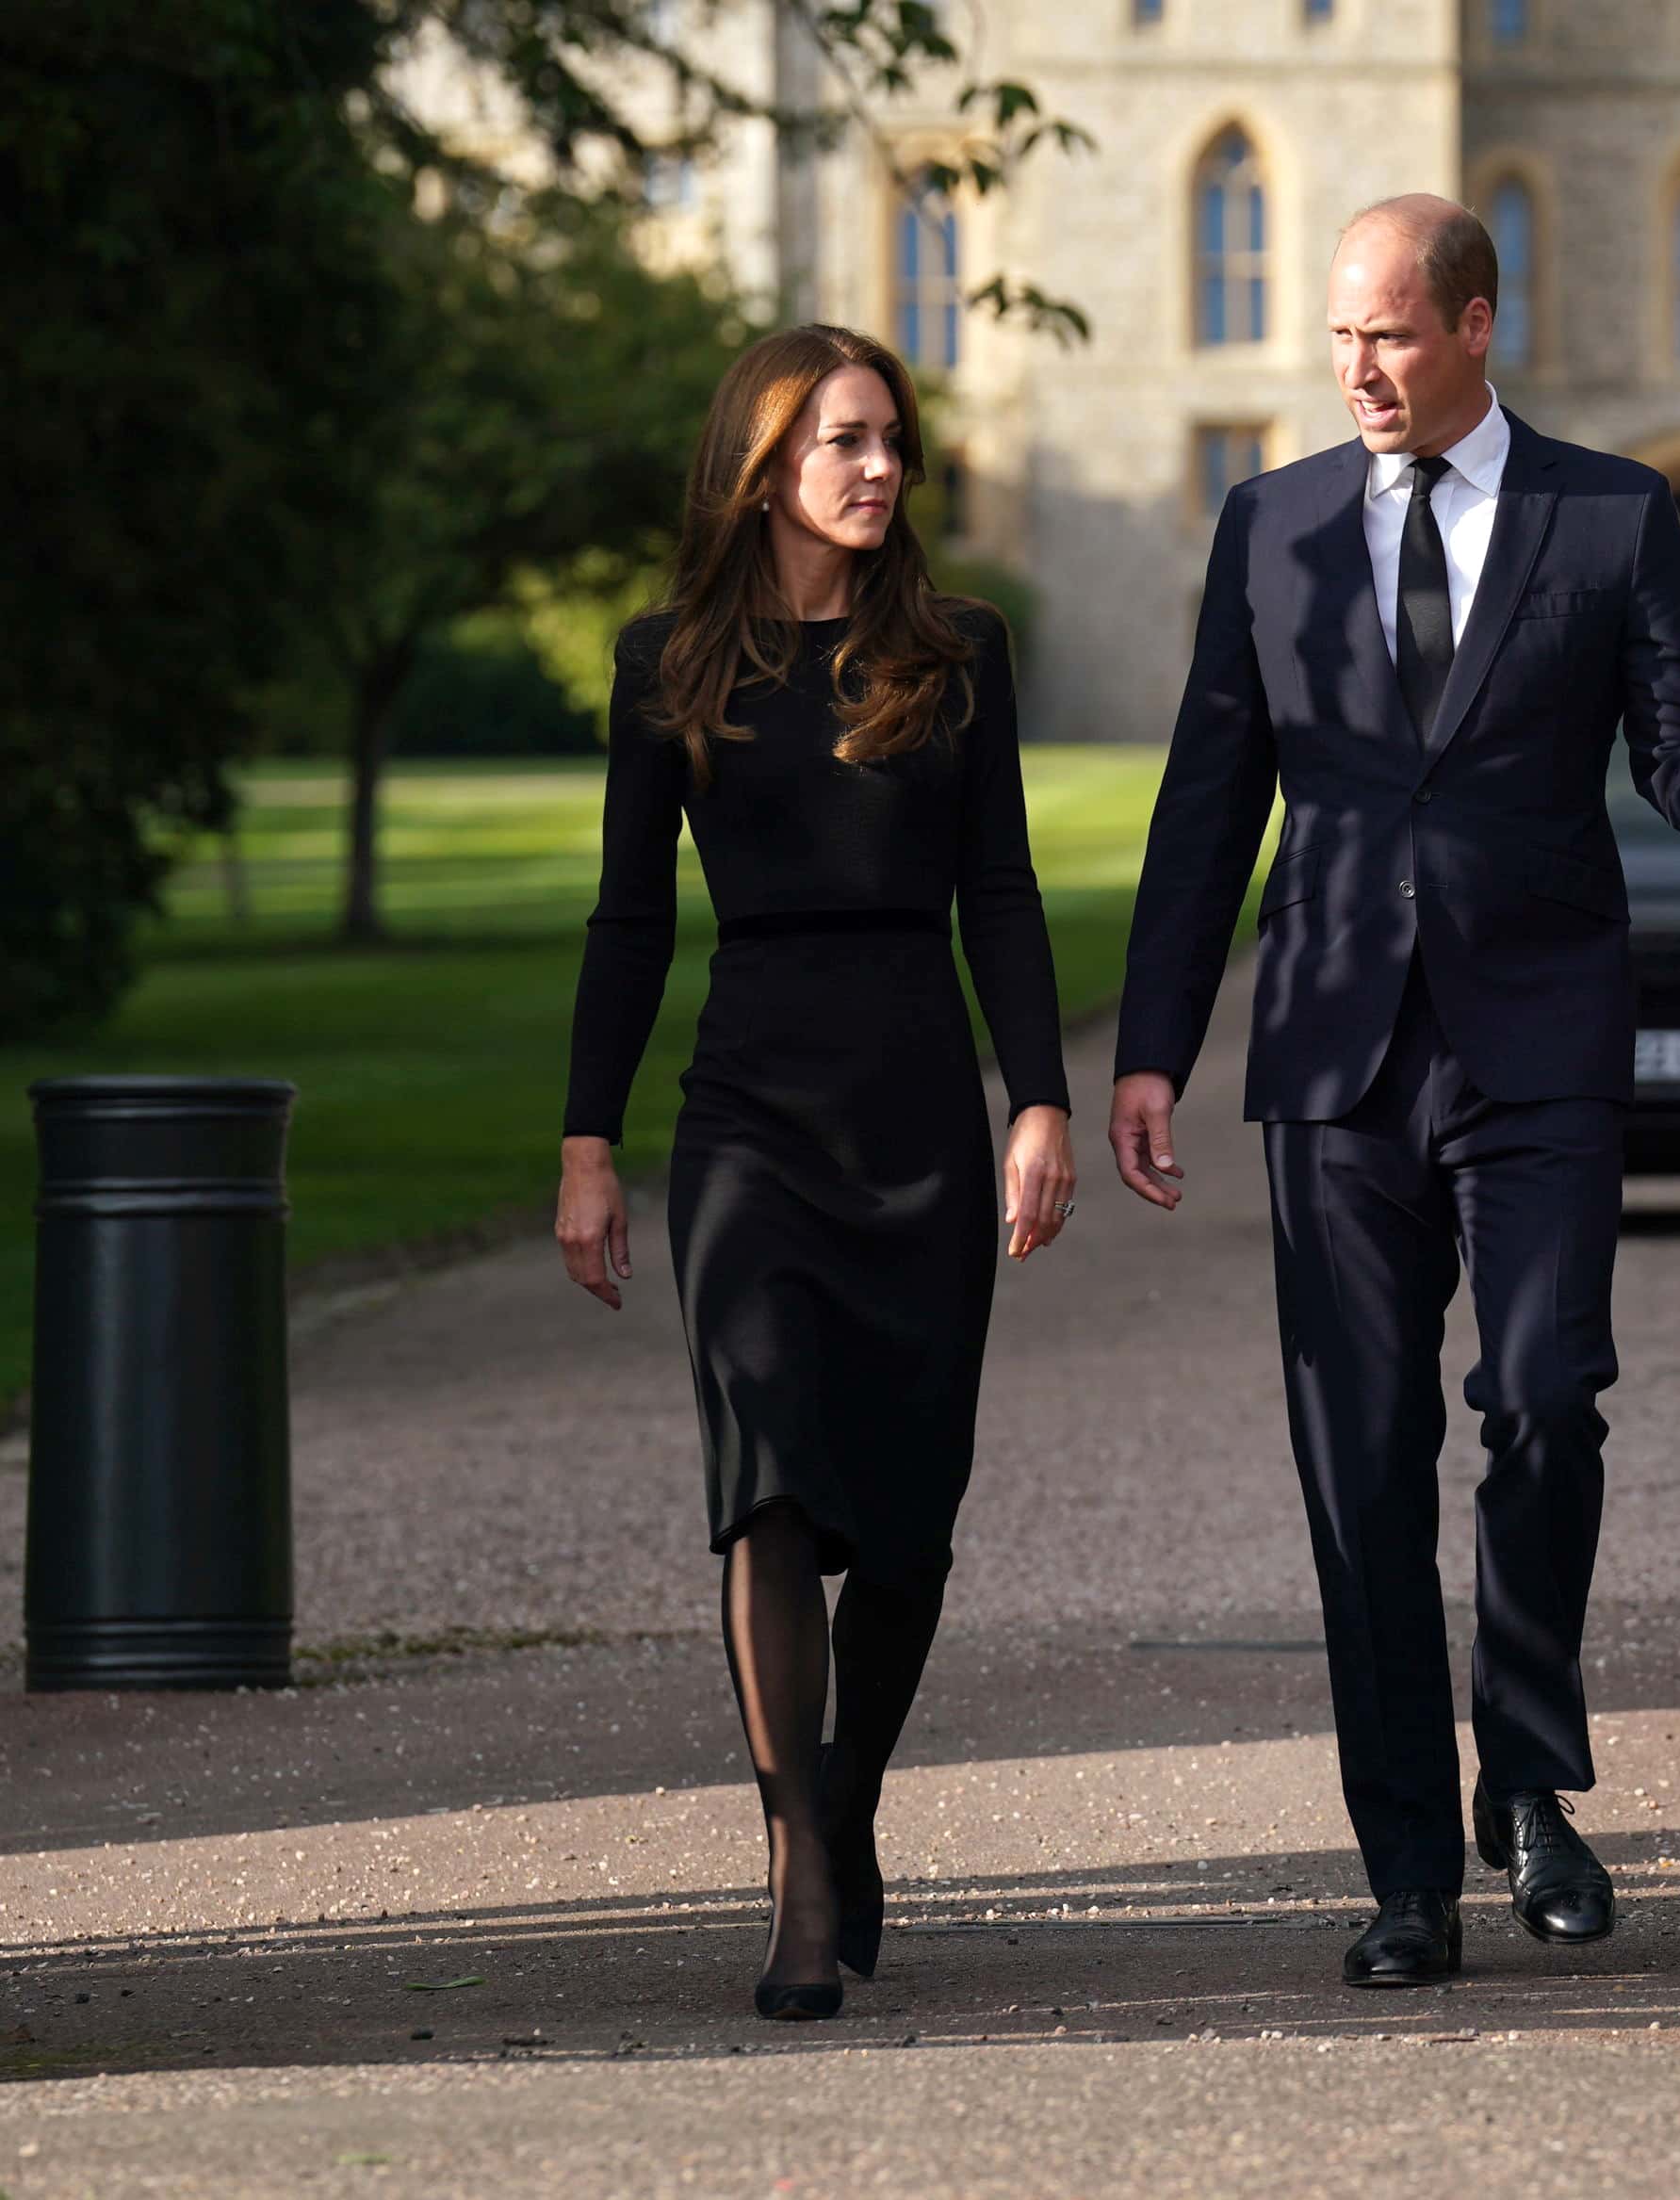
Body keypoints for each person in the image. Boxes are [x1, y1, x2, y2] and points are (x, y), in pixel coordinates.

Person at [1106, 195, 1680, 1989]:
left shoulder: (1610, 513)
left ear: (1473, 325)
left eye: (1386, 334)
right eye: (1338, 339)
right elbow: (1215, 796)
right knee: (1358, 1461)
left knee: (1542, 1404)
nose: (1356, 368)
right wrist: (1150, 1045)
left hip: (1538, 1045)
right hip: (1337, 1060)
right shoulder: (1268, 524)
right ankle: (1406, 1868)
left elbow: (1677, 744)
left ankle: (1530, 1780)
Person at [555, 325, 1077, 2022]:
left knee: (910, 1526)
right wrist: (585, 1142)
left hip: (920, 1107)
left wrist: (1040, 1100)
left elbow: (1000, 891)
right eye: (844, 439)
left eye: (891, 442)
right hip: (748, 1123)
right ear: (764, 459)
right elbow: (631, 921)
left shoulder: (958, 649)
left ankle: (846, 1806)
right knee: (770, 1479)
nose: (878, 468)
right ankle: (798, 1873)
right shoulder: (669, 665)